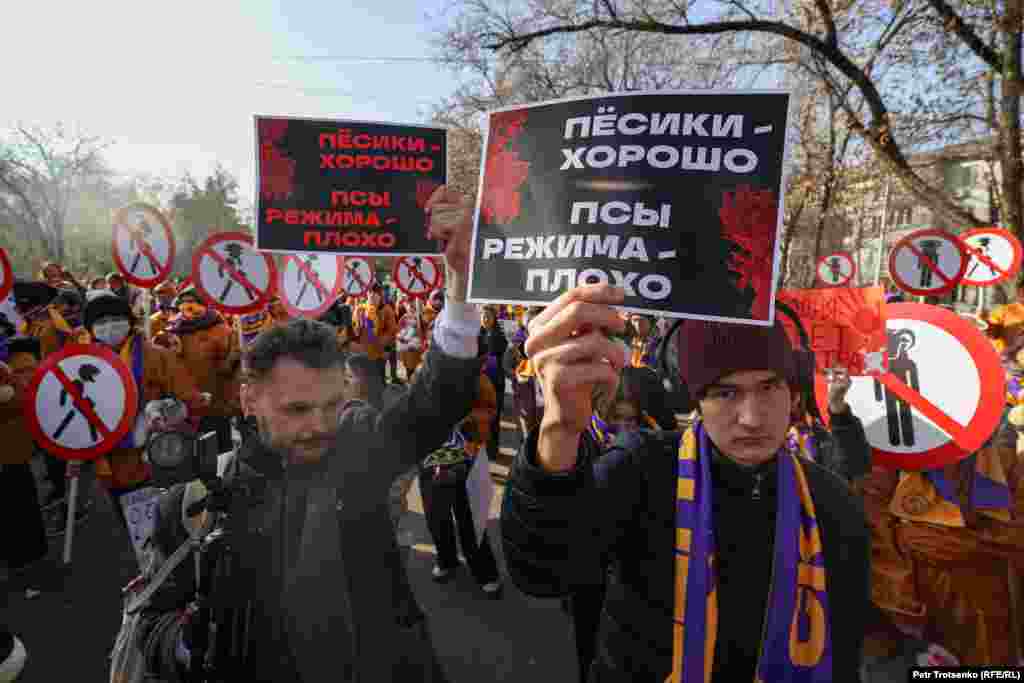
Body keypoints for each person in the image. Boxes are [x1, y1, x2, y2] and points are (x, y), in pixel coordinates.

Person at [135, 185, 482, 681]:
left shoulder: (358, 450)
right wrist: (192, 642)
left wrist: (459, 280)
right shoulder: (194, 505)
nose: (318, 425)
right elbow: (150, 625)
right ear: (249, 398)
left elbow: (435, 401)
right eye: (296, 409)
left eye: (330, 405)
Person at [501, 284, 870, 681]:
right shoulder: (642, 469)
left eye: (769, 387)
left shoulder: (832, 503)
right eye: (725, 393)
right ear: (695, 399)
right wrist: (559, 430)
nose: (752, 417)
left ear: (792, 393)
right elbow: (541, 571)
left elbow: (844, 651)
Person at [82, 292, 209, 506]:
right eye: (101, 322)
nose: (109, 326)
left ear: (129, 322)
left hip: (158, 457)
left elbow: (191, 401)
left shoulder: (159, 356)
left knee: (166, 523)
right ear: (91, 329)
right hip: (112, 463)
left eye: (115, 319)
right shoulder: (83, 364)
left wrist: (162, 412)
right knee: (132, 524)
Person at [418, 371, 503, 597]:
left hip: (467, 456)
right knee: (436, 515)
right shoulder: (424, 372)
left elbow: (489, 412)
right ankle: (446, 559)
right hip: (430, 458)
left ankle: (485, 571)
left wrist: (469, 417)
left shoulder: (478, 378)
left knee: (471, 516)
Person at [0, 334, 49, 593]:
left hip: (12, 456)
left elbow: (22, 399)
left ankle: (31, 566)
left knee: (22, 508)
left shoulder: (5, 370)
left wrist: (7, 395)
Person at [164, 288, 236, 452]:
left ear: (203, 305)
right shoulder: (173, 329)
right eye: (183, 302)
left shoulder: (219, 328)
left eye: (192, 301)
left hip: (215, 401)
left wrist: (229, 361)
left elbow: (231, 360)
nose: (187, 305)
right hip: (184, 403)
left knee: (219, 449)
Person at [350, 282, 397, 382]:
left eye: (376, 292)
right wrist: (360, 322)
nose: (372, 295)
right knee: (365, 382)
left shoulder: (387, 309)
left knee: (379, 381)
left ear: (380, 294)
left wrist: (386, 348)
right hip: (364, 353)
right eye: (370, 292)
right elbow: (356, 331)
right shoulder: (360, 308)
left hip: (379, 353)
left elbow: (392, 331)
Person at [478, 305, 508, 459]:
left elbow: (499, 360)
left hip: (495, 384)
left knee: (493, 418)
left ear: (494, 318)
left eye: (488, 316)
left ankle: (492, 450)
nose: (484, 319)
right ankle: (482, 449)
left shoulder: (499, 337)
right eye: (482, 316)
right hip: (480, 384)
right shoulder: (478, 334)